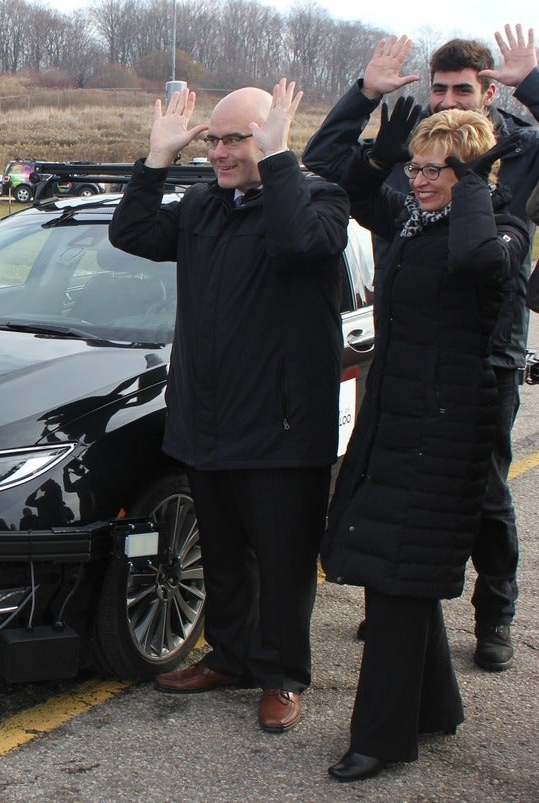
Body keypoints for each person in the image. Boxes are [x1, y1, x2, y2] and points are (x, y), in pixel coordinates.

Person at [108, 80, 349, 733]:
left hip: (281, 427)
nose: (218, 151)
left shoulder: (319, 199)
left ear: (270, 137)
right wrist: (156, 160)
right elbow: (130, 231)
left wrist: (279, 165)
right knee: (223, 557)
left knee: (284, 562)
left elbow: (299, 244)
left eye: (234, 138)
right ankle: (233, 656)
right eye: (212, 139)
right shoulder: (202, 207)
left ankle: (282, 676)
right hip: (206, 420)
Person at [303, 25, 539, 671]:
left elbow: (480, 252)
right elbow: (325, 172)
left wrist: (534, 86)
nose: (449, 99)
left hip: (484, 345)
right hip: (405, 344)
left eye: (464, 88)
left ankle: (494, 612)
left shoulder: (516, 148)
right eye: (440, 88)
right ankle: (396, 602)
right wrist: (362, 96)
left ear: (490, 91)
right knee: (392, 479)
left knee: (483, 489)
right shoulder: (415, 145)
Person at [320, 105, 527, 782]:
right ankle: (435, 704)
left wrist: (473, 183)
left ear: (471, 169)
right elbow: (348, 191)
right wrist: (380, 155)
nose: (421, 180)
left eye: (437, 168)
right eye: (419, 166)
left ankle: (380, 734)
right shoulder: (409, 221)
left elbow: (473, 259)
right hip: (394, 413)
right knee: (390, 562)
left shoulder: (501, 227)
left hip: (447, 423)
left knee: (400, 574)